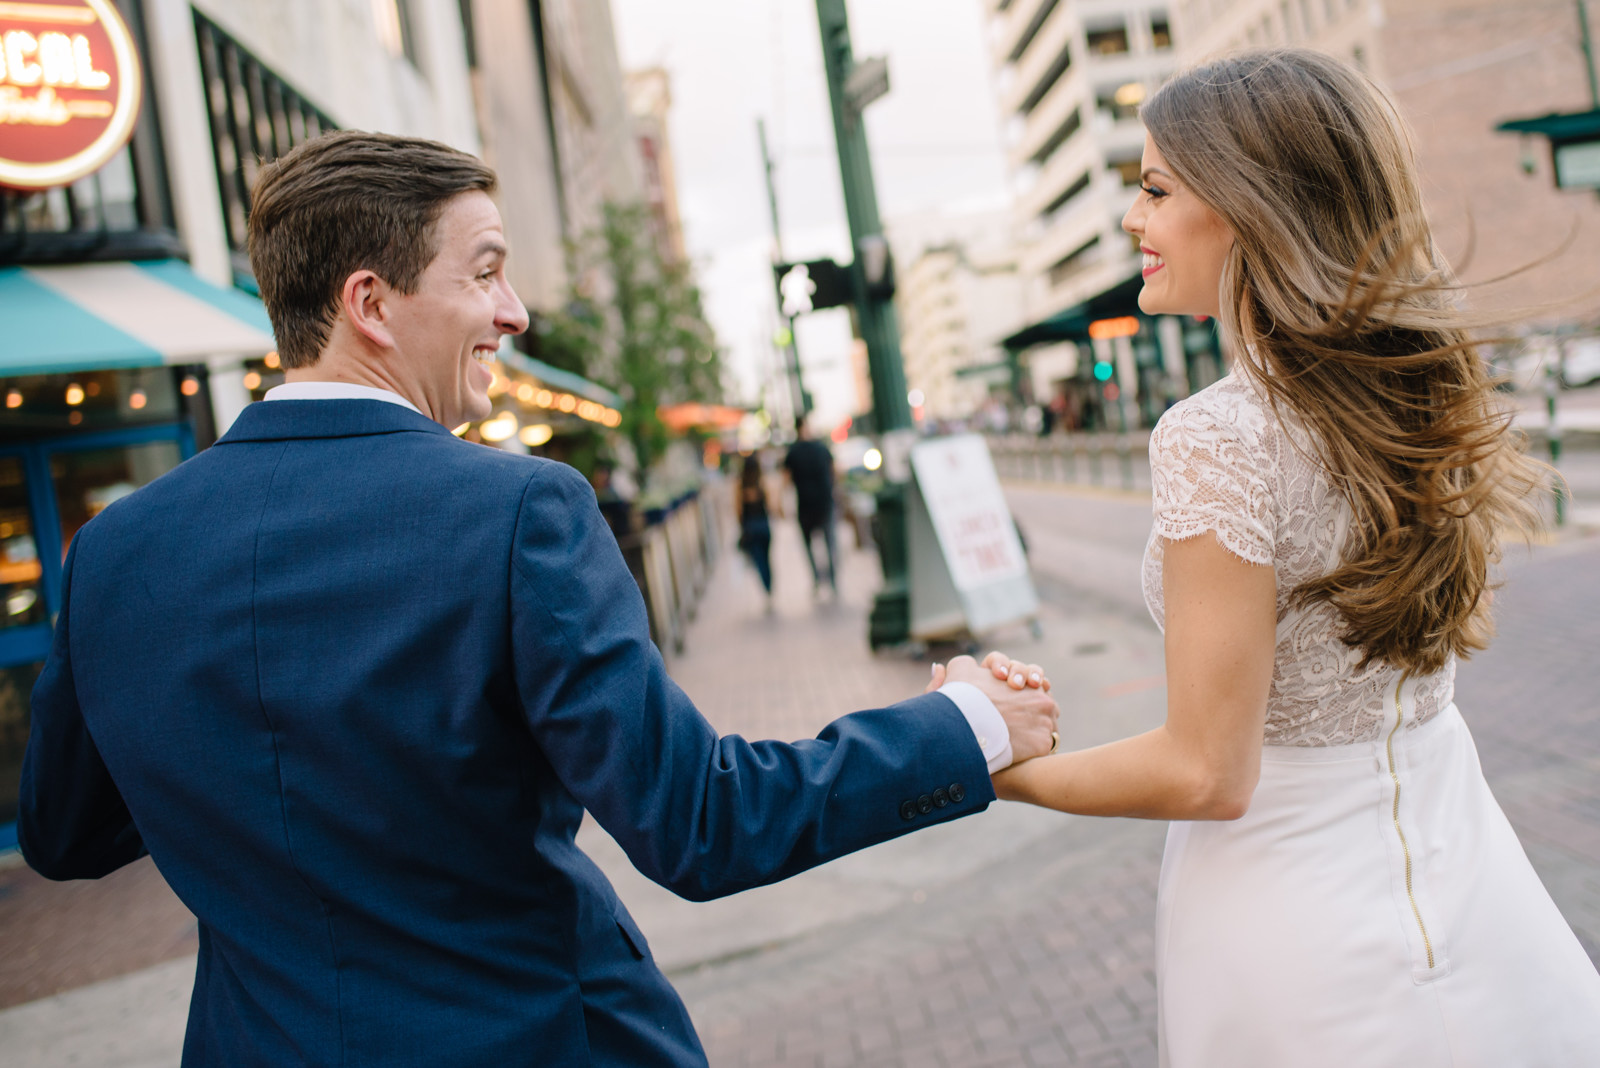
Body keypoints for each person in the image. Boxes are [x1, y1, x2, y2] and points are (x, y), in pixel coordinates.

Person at [16, 131, 1059, 1067]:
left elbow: (65, 836)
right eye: (483, 273)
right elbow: (700, 823)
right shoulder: (518, 513)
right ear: (369, 304)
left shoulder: (114, 552)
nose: (512, 312)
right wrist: (965, 723)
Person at [992, 49, 1600, 1066]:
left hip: (1291, 916)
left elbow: (1204, 770)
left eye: (1152, 190)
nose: (1132, 222)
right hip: (1464, 874)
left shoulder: (1216, 437)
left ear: (1245, 208)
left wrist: (999, 768)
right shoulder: (1409, 395)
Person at [782, 414, 838, 596]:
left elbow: (786, 480)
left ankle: (816, 579)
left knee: (809, 546)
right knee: (830, 543)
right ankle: (833, 581)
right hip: (825, 502)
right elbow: (835, 472)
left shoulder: (792, 452)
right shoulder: (821, 447)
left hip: (805, 505)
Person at [736, 453, 775, 610]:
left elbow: (737, 509)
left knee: (759, 562)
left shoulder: (740, 485)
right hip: (764, 526)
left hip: (750, 527)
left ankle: (766, 591)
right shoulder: (762, 482)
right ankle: (770, 588)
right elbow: (771, 505)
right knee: (767, 560)